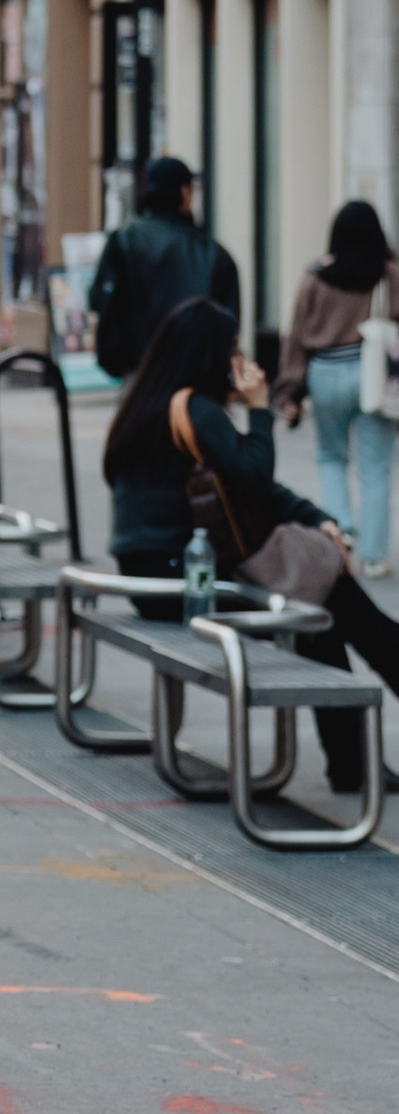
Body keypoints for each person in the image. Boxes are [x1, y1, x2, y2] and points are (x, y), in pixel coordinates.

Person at [102, 296, 399, 787]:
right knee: (331, 600)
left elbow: (246, 487)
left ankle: (352, 763)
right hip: (183, 581)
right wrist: (261, 410)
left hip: (157, 577)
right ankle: (352, 762)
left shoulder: (149, 403)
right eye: (232, 351)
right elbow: (255, 476)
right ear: (208, 355)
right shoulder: (195, 408)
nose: (240, 364)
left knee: (321, 608)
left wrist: (319, 518)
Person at [275, 199, 399, 580]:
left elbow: (297, 334)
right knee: (375, 468)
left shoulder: (316, 275)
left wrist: (289, 392)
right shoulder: (388, 275)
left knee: (331, 457)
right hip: (372, 374)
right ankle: (374, 557)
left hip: (326, 372)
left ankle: (339, 533)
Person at [90, 158, 240, 379]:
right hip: (196, 380)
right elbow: (228, 325)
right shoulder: (213, 254)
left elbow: (99, 300)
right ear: (184, 192)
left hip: (138, 375)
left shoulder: (124, 241)